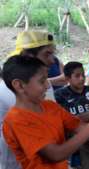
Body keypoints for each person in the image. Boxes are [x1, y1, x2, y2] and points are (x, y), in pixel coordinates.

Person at [1, 56, 89, 169]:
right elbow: (56, 154)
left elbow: (88, 131)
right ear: (19, 85)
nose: (47, 86)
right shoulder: (16, 120)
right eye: (42, 81)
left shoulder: (50, 107)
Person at [0, 30, 59, 169]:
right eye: (47, 54)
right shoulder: (10, 90)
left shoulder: (42, 83)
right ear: (27, 56)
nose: (52, 60)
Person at [54, 61, 89, 168]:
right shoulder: (60, 95)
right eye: (77, 76)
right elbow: (63, 122)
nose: (82, 78)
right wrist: (82, 117)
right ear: (67, 79)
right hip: (74, 144)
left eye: (83, 75)